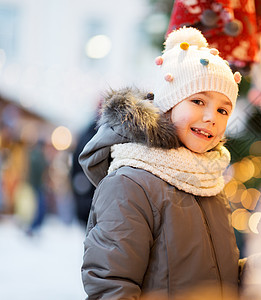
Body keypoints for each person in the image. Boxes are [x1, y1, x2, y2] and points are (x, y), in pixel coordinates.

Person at [79, 27, 245, 299]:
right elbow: (111, 285)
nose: (210, 117)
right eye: (198, 100)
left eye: (223, 109)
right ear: (169, 104)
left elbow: (212, 275)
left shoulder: (208, 181)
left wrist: (258, 270)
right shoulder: (130, 184)